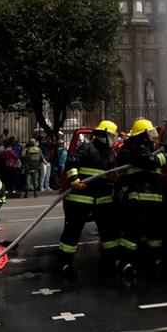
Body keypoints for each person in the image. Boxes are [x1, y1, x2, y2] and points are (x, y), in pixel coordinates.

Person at [58, 120, 119, 280]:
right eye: (112, 136)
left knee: (109, 234)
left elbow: (113, 174)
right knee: (72, 233)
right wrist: (74, 180)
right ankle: (65, 264)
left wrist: (114, 177)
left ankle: (110, 262)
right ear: (104, 135)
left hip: (102, 201)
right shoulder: (87, 147)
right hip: (80, 200)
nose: (114, 139)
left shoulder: (111, 154)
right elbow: (71, 164)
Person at [115, 119, 167, 281]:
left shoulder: (148, 149)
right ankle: (124, 263)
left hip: (153, 199)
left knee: (154, 233)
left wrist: (166, 150)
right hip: (136, 199)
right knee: (132, 232)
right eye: (150, 133)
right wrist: (165, 155)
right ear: (142, 135)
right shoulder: (131, 150)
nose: (153, 136)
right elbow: (150, 162)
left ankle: (154, 261)